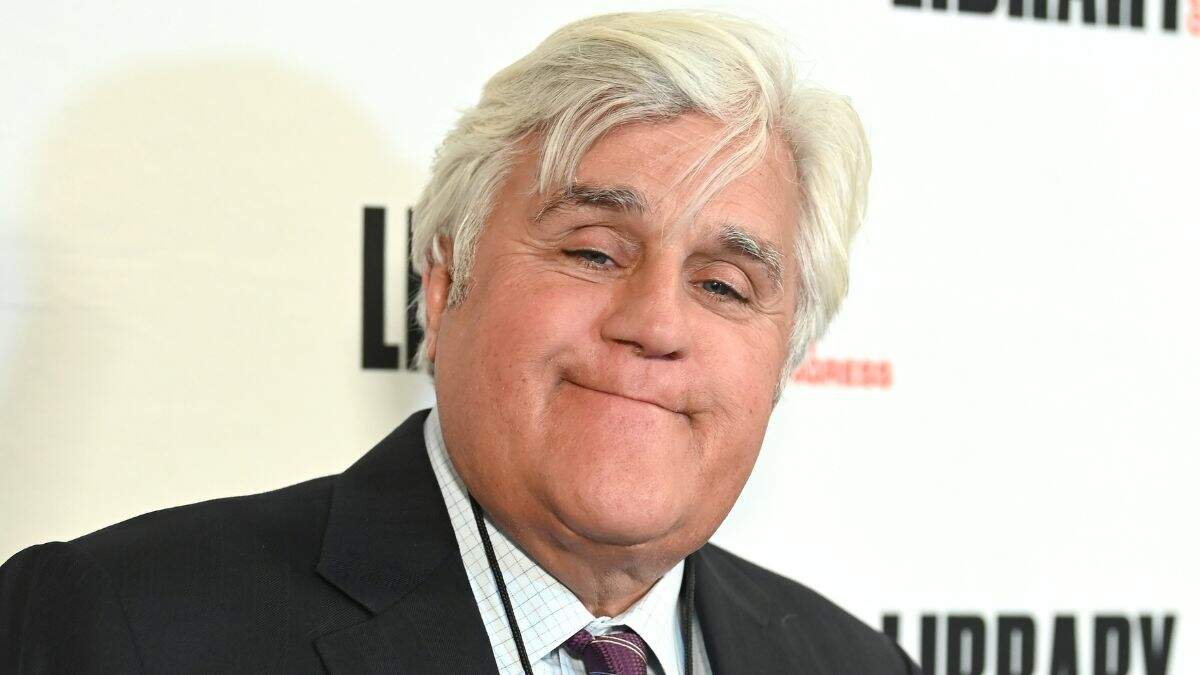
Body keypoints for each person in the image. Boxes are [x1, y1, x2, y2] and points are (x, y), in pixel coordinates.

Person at [0, 10, 919, 674]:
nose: (656, 323)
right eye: (594, 251)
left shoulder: (858, 663)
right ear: (444, 285)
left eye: (723, 285)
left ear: (785, 359)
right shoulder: (121, 626)